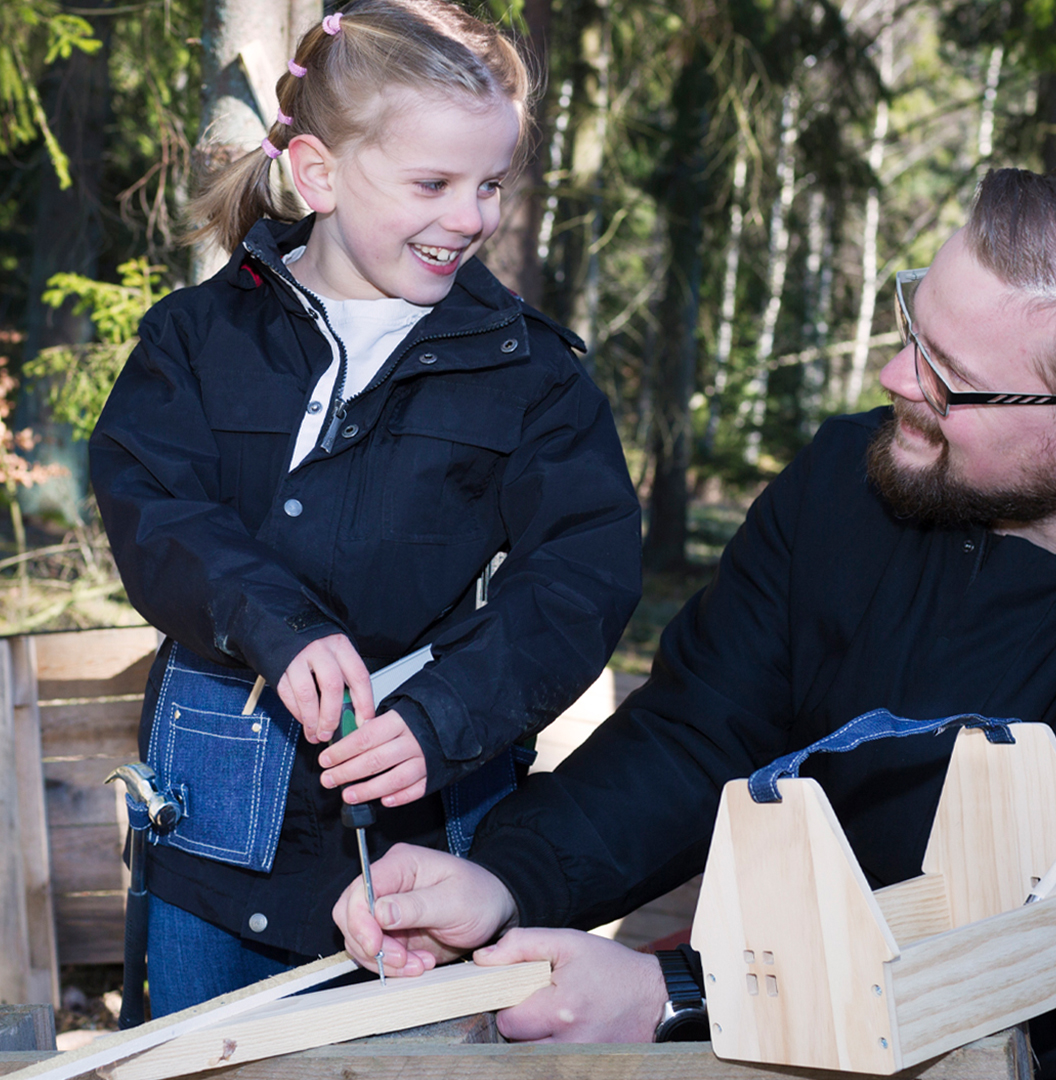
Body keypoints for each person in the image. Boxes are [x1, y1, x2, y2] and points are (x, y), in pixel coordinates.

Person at [335, 166, 1056, 1046]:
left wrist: (678, 993)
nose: (895, 374)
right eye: (915, 324)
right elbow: (698, 737)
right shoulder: (844, 485)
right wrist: (504, 879)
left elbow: (1015, 949)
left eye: (948, 374)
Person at [89, 0, 642, 1016]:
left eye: (491, 186)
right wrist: (275, 624)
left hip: (420, 852)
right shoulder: (197, 338)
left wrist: (444, 716)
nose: (471, 217)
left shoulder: (532, 374)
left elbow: (582, 574)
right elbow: (152, 502)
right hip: (215, 847)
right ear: (319, 176)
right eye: (432, 184)